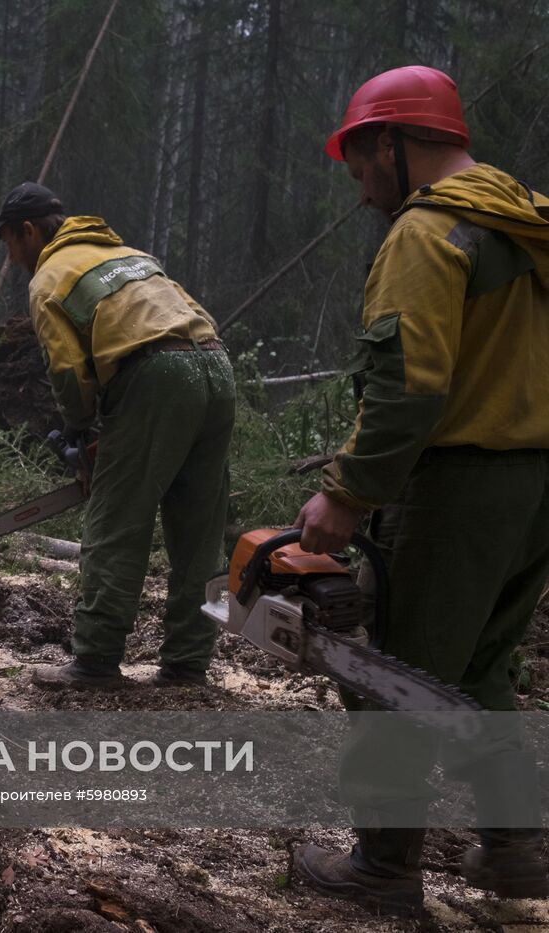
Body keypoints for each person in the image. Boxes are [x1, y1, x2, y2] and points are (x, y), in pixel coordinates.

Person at [289, 65, 549, 912]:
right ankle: (515, 850)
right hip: (536, 488)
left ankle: (383, 867)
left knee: (390, 672)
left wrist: (348, 493)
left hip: (457, 489)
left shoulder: (431, 234)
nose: (365, 190)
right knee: (477, 664)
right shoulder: (526, 226)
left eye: (366, 167)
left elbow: (408, 387)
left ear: (397, 145)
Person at [0, 182, 235, 690]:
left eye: (9, 242)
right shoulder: (130, 254)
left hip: (157, 377)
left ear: (28, 231)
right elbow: (195, 317)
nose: (11, 257)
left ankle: (95, 660)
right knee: (201, 531)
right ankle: (189, 663)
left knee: (117, 523)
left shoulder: (49, 276)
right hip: (215, 366)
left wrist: (81, 429)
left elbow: (67, 369)